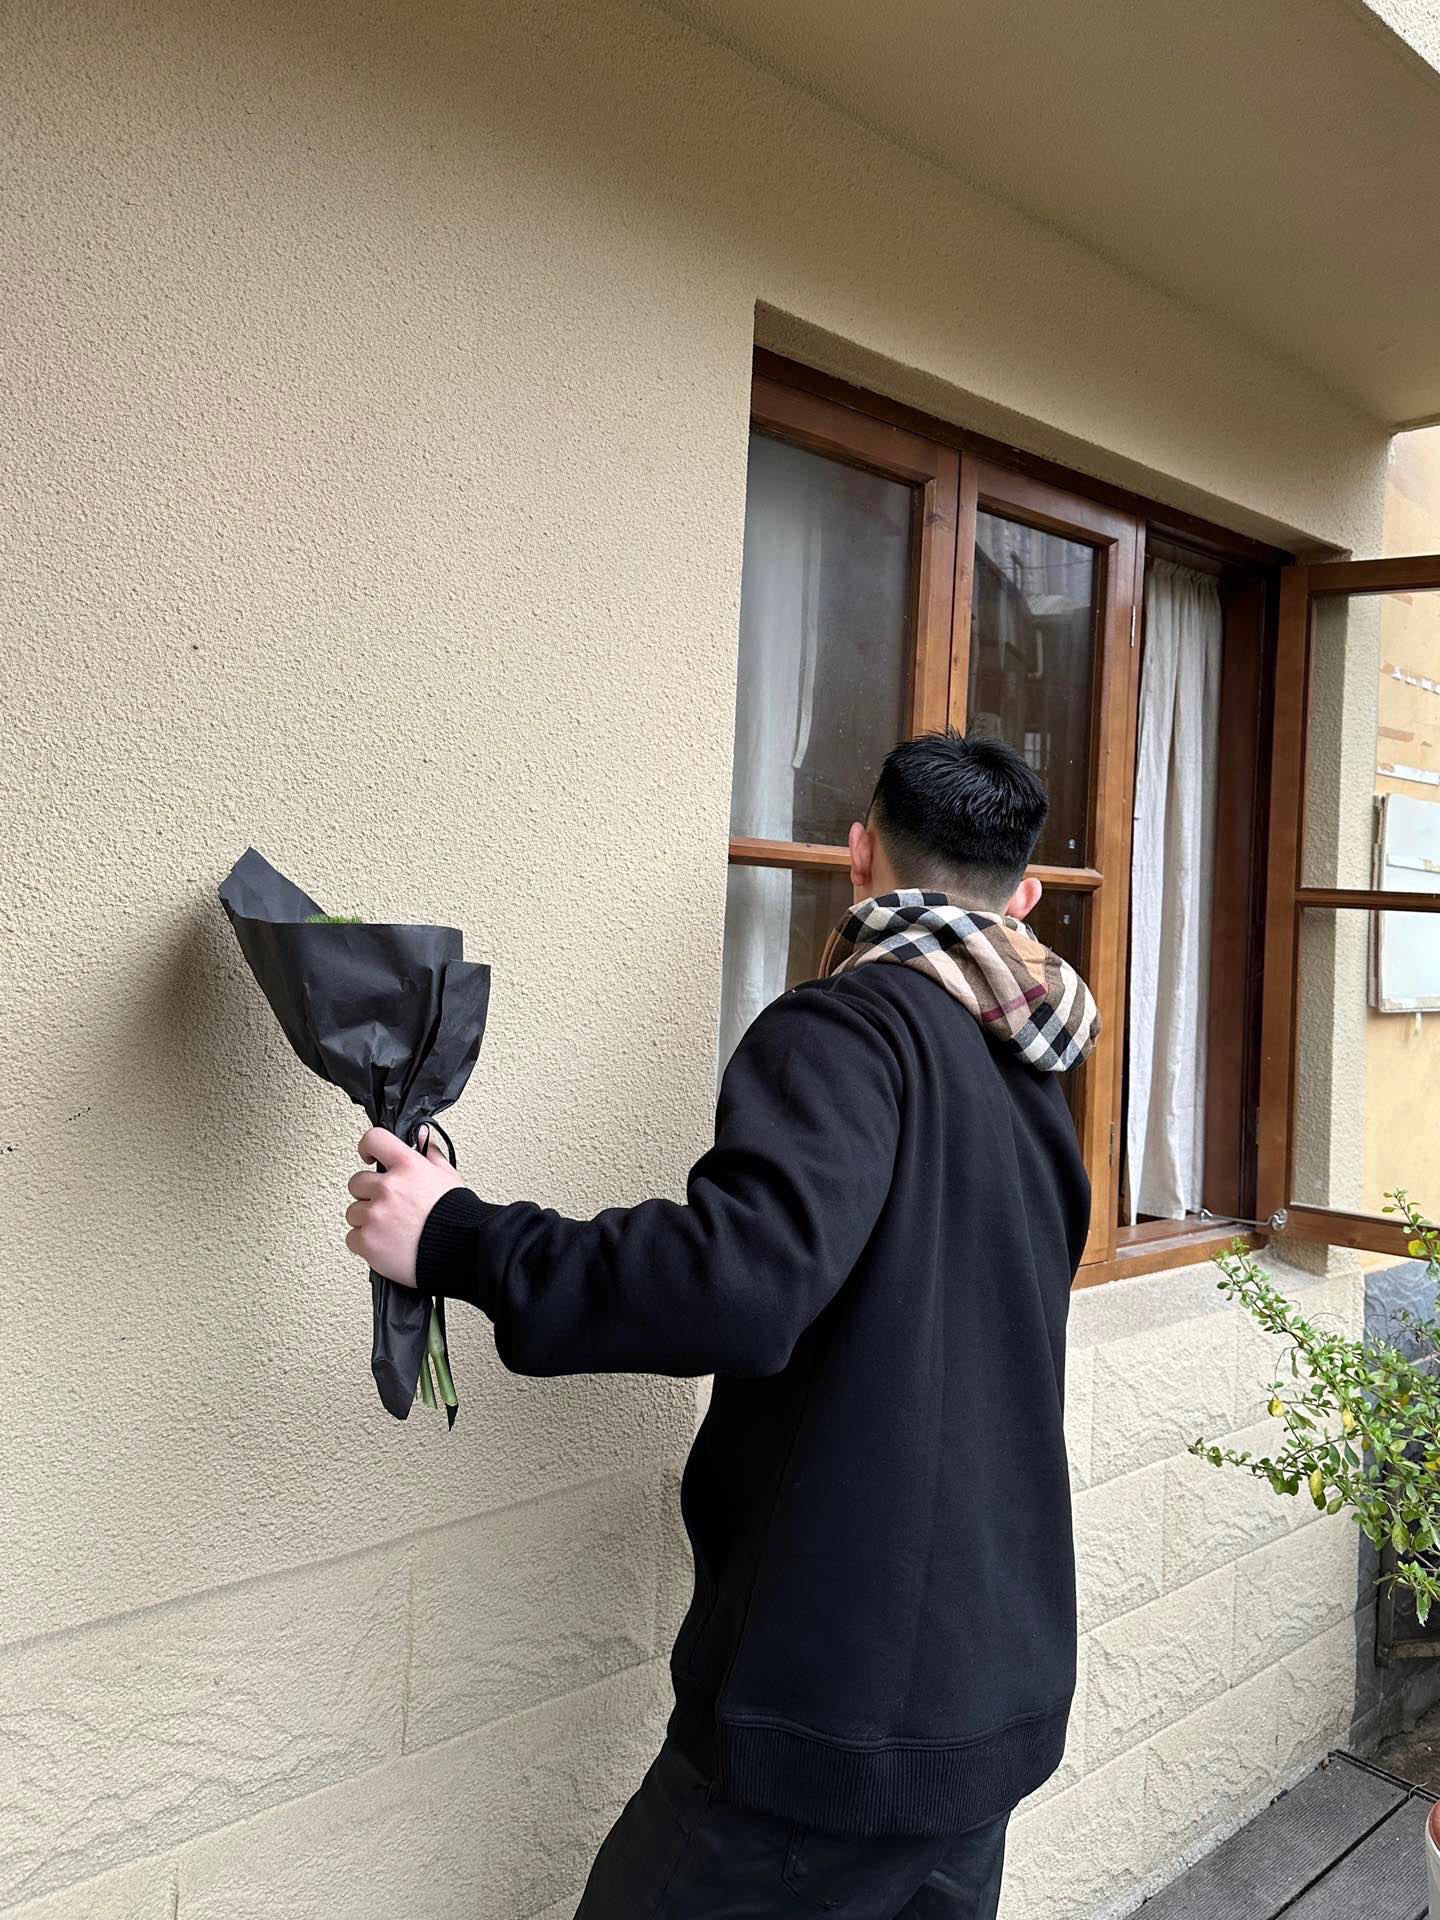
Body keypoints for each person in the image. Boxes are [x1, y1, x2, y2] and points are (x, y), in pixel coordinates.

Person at [342, 730, 1097, 1919]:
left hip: (834, 1725)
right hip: (991, 1701)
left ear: (859, 856)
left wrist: (456, 1236)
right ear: (1028, 895)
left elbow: (737, 1285)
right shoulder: (1033, 1075)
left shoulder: (847, 1030)